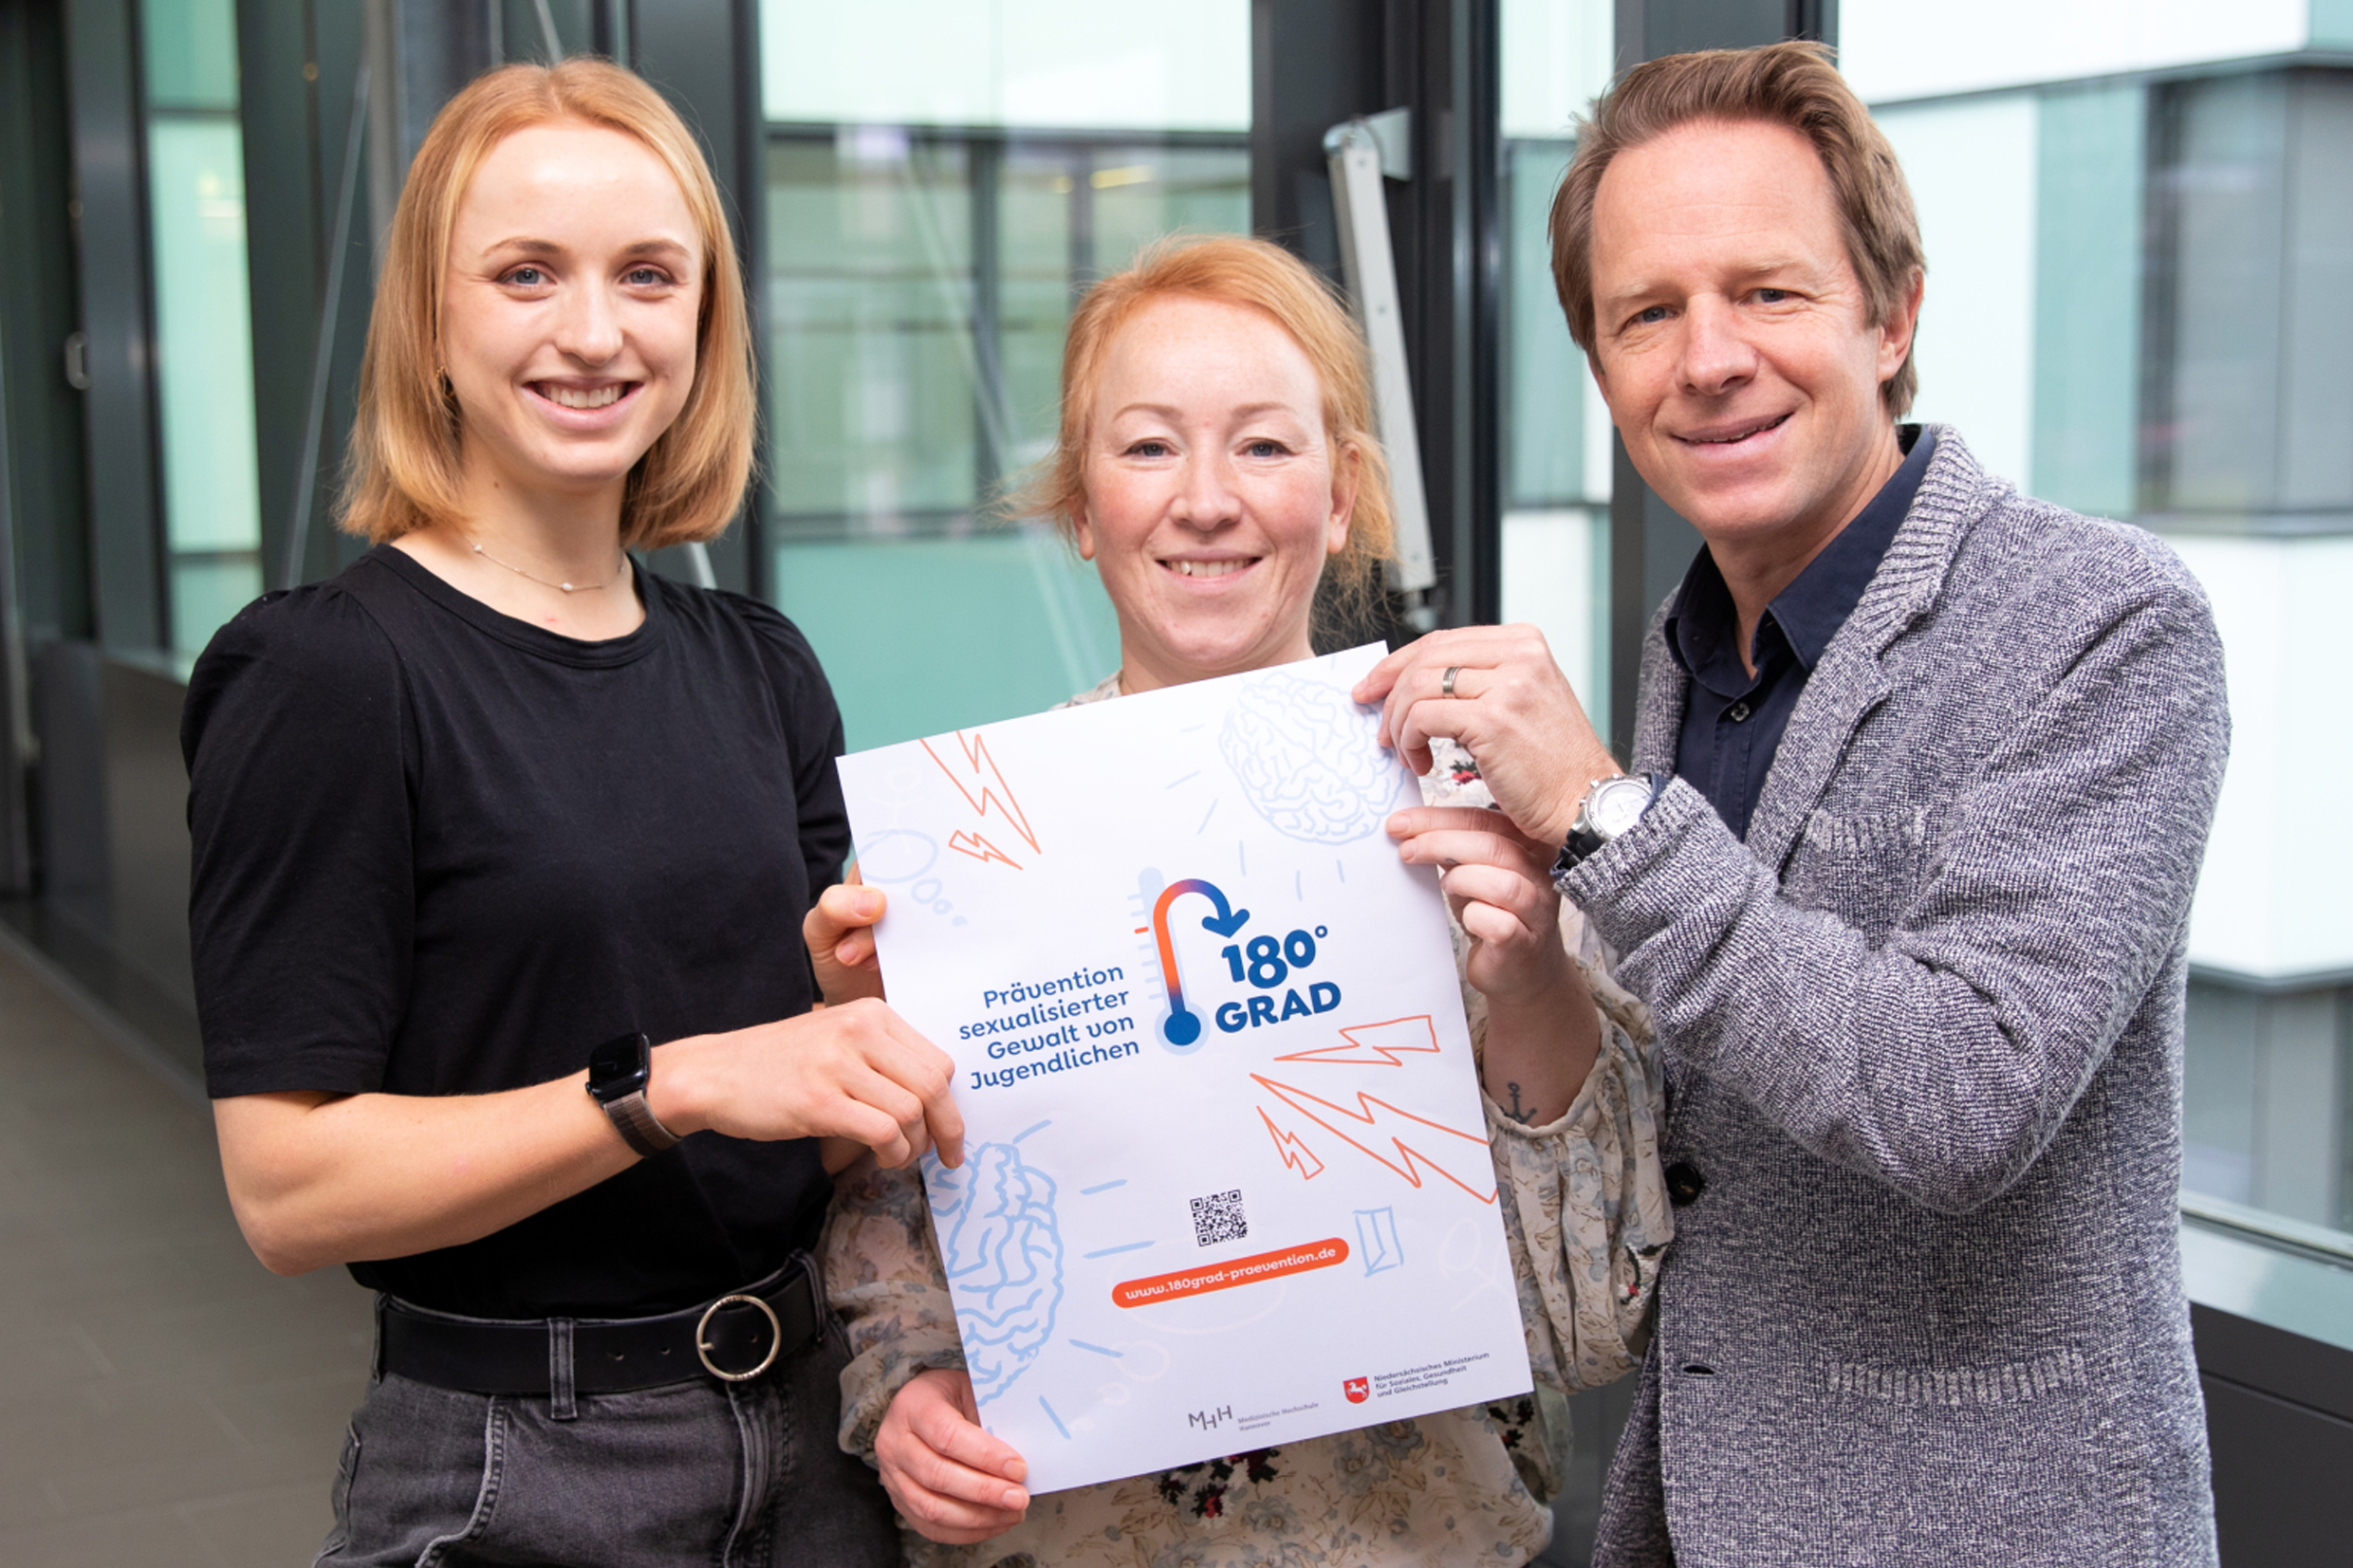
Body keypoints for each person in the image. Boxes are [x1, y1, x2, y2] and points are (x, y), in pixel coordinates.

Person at [1357, 42, 2229, 1567]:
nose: (1706, 358)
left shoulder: (2107, 622)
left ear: (1891, 316)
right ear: (1604, 366)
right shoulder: (1689, 650)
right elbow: (1705, 1139)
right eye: (1647, 314)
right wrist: (1538, 971)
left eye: (1766, 292)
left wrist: (1609, 821)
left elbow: (1962, 1095)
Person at [182, 61, 963, 1568]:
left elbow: (786, 1119)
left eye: (648, 277)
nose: (594, 332)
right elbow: (286, 1191)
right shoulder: (331, 673)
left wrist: (851, 1021)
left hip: (819, 1445)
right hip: (520, 1467)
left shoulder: (760, 664)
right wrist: (664, 1086)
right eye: (526, 273)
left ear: (703, 322)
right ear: (432, 317)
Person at [805, 234, 1673, 1567]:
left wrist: (1537, 980)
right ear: (1083, 509)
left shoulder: (1487, 811)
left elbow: (1596, 1323)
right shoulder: (975, 853)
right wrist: (907, 1392)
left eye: (1265, 447)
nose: (1205, 501)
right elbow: (891, 1235)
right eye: (1148, 447)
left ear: (1343, 497)